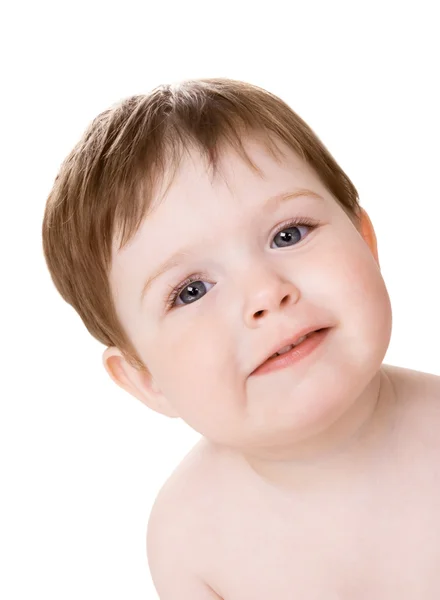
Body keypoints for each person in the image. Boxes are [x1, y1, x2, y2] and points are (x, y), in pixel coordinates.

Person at [41, 78, 440, 598]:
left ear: (366, 242)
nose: (265, 294)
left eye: (288, 234)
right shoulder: (189, 539)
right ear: (145, 380)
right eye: (190, 291)